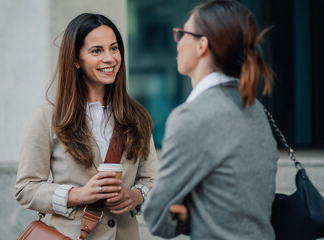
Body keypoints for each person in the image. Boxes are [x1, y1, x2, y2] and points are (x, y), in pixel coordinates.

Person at [142, 1, 279, 239]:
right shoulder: (255, 108)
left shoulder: (191, 117)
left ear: (201, 45)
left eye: (183, 33)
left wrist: (188, 215)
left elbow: (156, 216)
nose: (178, 40)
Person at [15, 13, 158, 240]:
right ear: (75, 59)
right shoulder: (47, 118)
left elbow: (153, 180)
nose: (110, 58)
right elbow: (26, 189)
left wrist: (136, 196)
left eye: (114, 48)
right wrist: (78, 194)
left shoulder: (138, 117)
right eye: (96, 51)